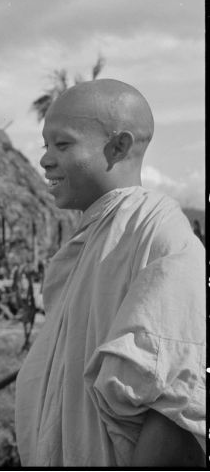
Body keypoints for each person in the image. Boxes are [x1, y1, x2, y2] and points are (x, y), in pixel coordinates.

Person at [15, 79, 205, 467]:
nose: (45, 159)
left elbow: (176, 396)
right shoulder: (94, 238)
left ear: (118, 146)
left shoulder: (160, 236)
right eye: (45, 146)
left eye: (62, 145)